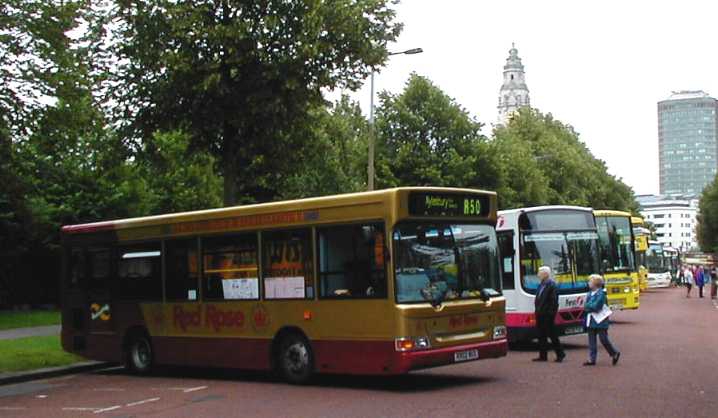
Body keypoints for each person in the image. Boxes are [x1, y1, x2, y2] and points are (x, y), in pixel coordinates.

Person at [582, 274, 620, 366]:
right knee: (591, 341)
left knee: (603, 339)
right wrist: (588, 306)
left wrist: (587, 306)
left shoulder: (601, 294)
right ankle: (592, 359)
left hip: (600, 320)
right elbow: (587, 306)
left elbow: (596, 306)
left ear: (595, 284)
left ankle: (614, 353)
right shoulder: (589, 294)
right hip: (591, 319)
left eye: (590, 282)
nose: (588, 283)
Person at [533, 266, 565, 363]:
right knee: (541, 335)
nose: (538, 275)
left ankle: (560, 354)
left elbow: (553, 301)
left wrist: (551, 313)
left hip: (547, 314)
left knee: (552, 334)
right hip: (540, 313)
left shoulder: (552, 286)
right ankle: (543, 355)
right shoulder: (541, 285)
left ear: (545, 274)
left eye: (539, 273)